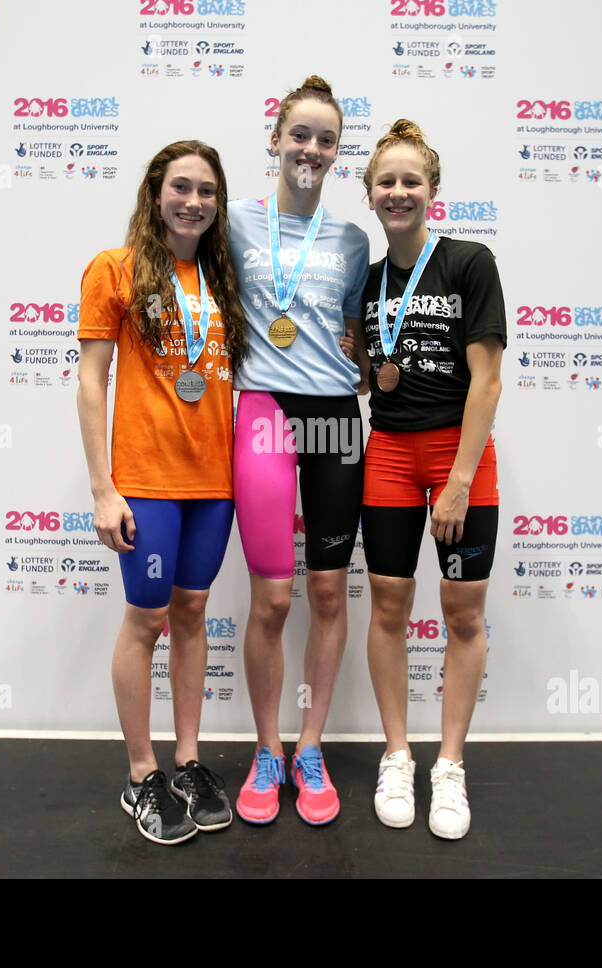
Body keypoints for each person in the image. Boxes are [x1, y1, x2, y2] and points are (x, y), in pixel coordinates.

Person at [76, 140, 248, 845]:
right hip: (145, 480)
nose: (194, 201)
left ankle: (187, 761)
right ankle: (141, 773)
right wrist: (101, 488)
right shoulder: (113, 270)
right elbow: (92, 380)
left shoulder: (223, 276)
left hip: (215, 481)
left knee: (193, 613)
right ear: (155, 193)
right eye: (181, 186)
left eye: (208, 190)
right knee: (145, 621)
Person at [356, 119, 505, 839]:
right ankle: (396, 754)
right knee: (387, 606)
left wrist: (461, 479)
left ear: (433, 190)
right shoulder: (369, 278)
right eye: (386, 181)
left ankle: (449, 766)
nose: (399, 191)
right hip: (386, 451)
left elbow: (488, 381)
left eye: (411, 180)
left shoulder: (469, 261)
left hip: (457, 456)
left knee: (463, 613)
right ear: (370, 194)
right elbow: (365, 371)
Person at [227, 76, 370, 826]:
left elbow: (353, 335)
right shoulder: (235, 223)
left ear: (337, 153)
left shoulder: (351, 240)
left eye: (326, 139)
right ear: (276, 138)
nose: (311, 149)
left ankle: (309, 746)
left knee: (326, 592)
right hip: (263, 410)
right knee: (273, 597)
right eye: (300, 134)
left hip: (336, 418)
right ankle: (266, 749)